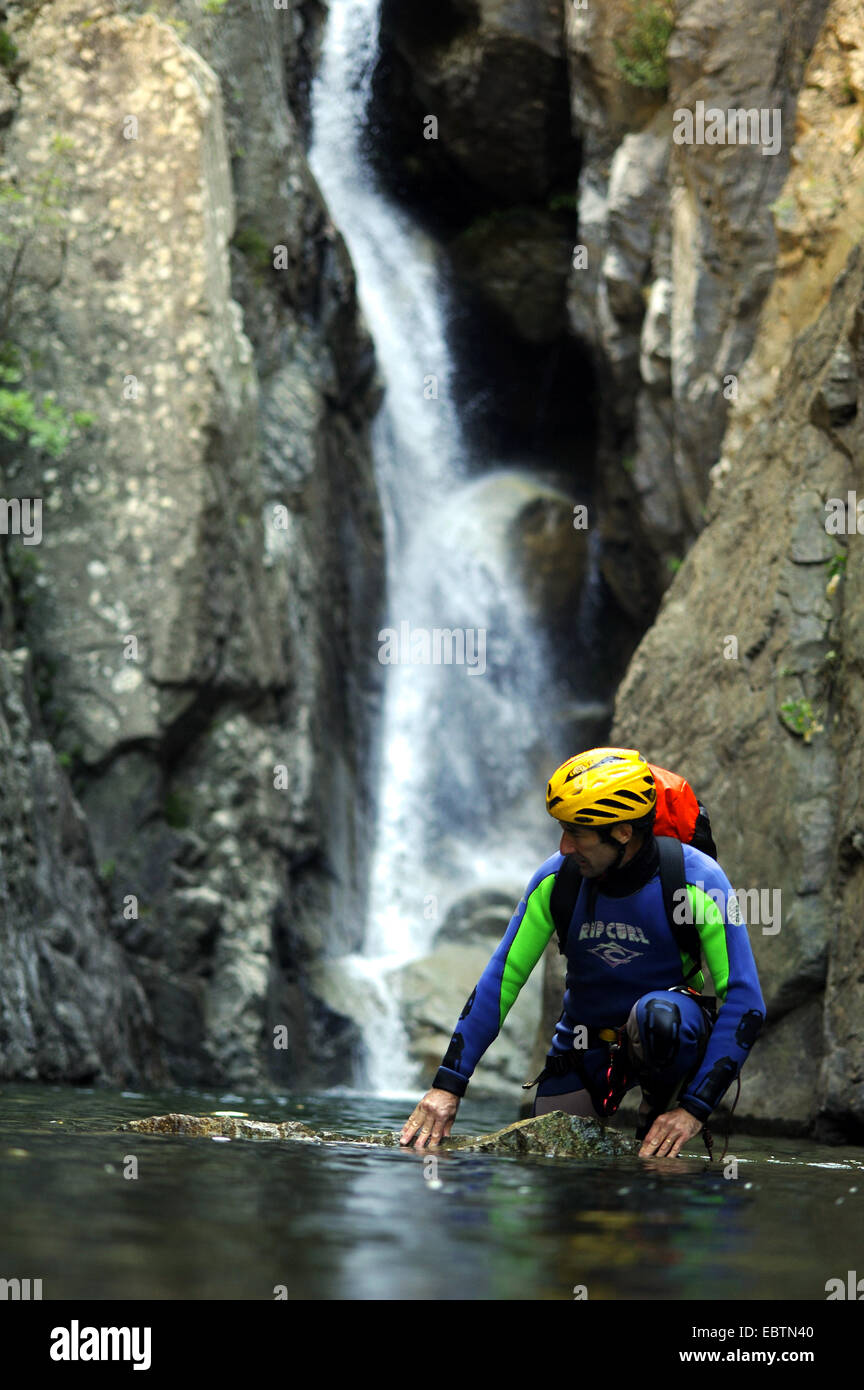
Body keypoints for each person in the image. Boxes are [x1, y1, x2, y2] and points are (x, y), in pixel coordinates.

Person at [400, 747, 765, 1159]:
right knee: (550, 1174)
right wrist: (447, 1085)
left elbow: (746, 1001)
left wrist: (693, 1109)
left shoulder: (698, 881)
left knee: (658, 1017)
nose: (564, 845)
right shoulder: (557, 879)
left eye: (576, 832)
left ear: (623, 832)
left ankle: (657, 1114)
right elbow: (501, 981)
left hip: (669, 1037)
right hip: (584, 1043)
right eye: (561, 829)